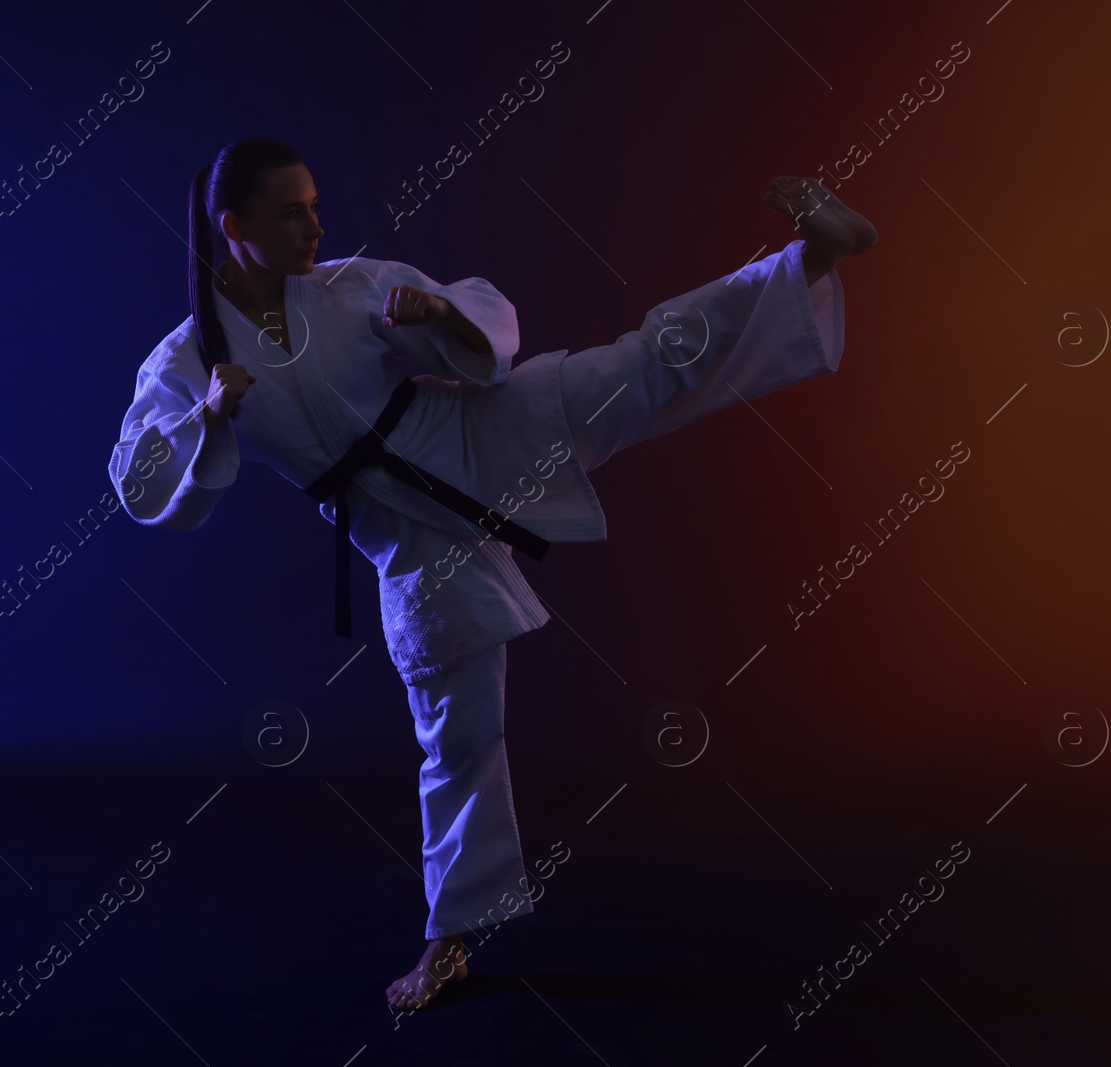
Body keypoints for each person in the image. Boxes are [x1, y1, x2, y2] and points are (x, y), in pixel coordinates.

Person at [107, 138, 876, 1014]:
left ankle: (810, 255)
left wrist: (435, 313)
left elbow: (485, 343)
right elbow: (141, 486)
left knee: (639, 362)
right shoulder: (184, 359)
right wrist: (211, 416)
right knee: (457, 736)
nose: (317, 226)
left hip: (482, 433)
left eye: (316, 204)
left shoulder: (351, 285)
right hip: (408, 535)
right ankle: (450, 944)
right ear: (231, 226)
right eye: (292, 213)